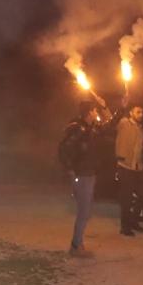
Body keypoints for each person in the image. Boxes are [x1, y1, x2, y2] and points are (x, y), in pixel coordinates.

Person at [58, 99, 103, 256]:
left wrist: (120, 108)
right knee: (84, 212)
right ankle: (76, 247)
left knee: (85, 211)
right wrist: (70, 170)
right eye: (95, 110)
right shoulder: (78, 129)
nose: (97, 113)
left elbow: (109, 126)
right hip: (81, 175)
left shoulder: (90, 128)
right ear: (89, 112)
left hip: (88, 173)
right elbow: (64, 149)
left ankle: (78, 244)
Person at [114, 104, 143, 237]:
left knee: (142, 194)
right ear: (131, 113)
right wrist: (123, 105)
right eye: (138, 112)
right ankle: (125, 227)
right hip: (125, 166)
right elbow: (115, 119)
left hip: (138, 167)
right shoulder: (124, 123)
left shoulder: (140, 128)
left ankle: (133, 221)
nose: (141, 114)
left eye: (142, 112)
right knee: (126, 199)